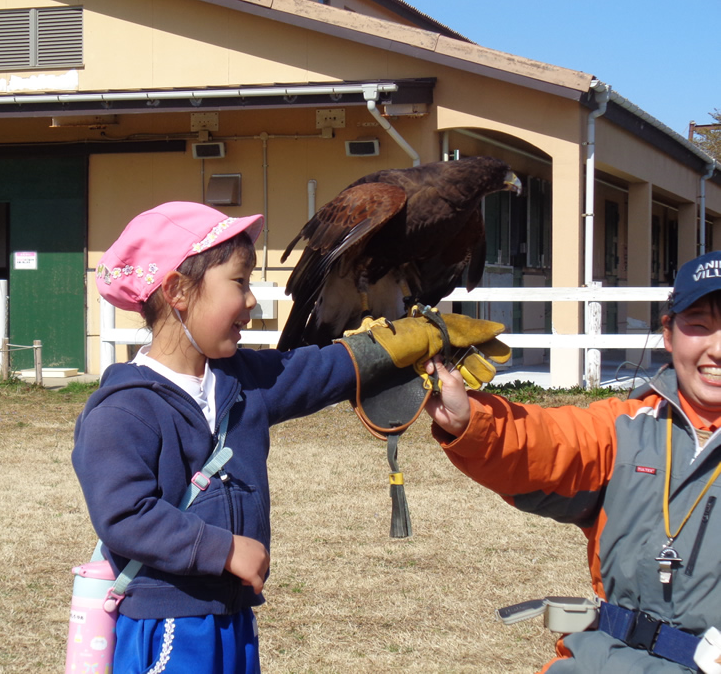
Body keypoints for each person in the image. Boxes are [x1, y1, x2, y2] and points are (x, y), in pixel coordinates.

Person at [72, 201, 505, 674]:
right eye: (239, 282)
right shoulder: (124, 408)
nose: (252, 300)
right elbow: (125, 514)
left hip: (233, 618)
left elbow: (318, 370)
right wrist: (224, 549)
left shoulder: (243, 380)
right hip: (170, 624)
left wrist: (405, 342)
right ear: (177, 290)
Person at [423, 250, 721, 673]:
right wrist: (471, 419)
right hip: (600, 659)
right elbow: (546, 443)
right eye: (700, 325)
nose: (718, 348)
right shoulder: (626, 427)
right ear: (669, 334)